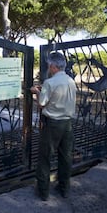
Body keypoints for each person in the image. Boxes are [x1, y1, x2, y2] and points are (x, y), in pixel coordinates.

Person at [30, 52, 76, 201]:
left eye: (49, 65)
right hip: (67, 124)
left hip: (53, 125)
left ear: (53, 66)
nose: (48, 68)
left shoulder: (50, 83)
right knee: (65, 156)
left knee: (45, 157)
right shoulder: (70, 81)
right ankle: (65, 188)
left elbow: (42, 103)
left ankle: (43, 191)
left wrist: (36, 91)